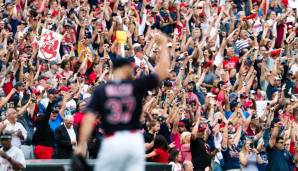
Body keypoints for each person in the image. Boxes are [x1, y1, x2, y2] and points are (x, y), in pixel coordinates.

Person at [75, 32, 170, 171]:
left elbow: (88, 118)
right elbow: (162, 72)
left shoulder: (102, 90)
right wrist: (163, 46)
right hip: (134, 140)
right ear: (127, 69)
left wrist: (80, 145)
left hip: (112, 141)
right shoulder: (135, 86)